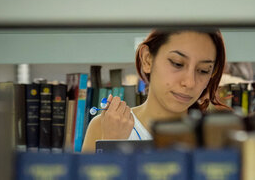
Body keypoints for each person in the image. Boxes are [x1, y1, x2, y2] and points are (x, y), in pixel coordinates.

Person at [82, 28, 229, 152]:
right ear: (147, 59)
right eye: (177, 64)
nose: (190, 83)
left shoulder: (218, 135)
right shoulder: (104, 126)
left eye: (203, 70)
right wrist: (112, 143)